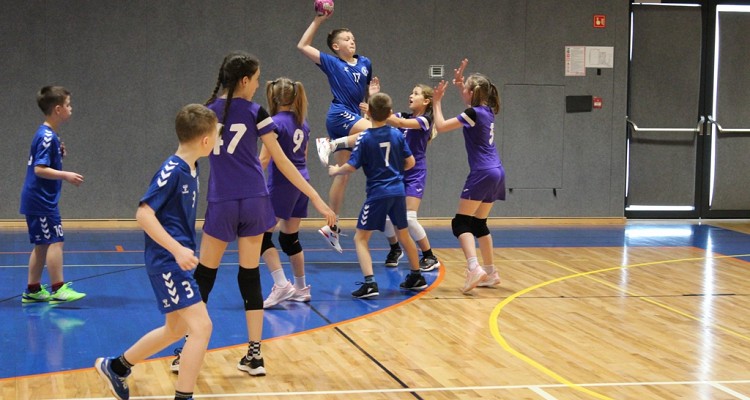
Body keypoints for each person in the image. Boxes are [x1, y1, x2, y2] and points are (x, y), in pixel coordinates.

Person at [175, 52, 335, 377]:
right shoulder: (256, 112)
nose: (259, 85)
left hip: (222, 201)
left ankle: (187, 350)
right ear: (244, 80)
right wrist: (316, 197)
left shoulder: (207, 112)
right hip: (254, 201)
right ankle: (255, 355)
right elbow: (282, 161)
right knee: (249, 276)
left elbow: (188, 158)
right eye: (257, 79)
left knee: (204, 277)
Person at [94, 104, 219, 400]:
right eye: (217, 134)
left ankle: (116, 367)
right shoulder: (172, 171)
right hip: (167, 262)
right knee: (202, 327)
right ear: (205, 141)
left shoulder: (192, 167)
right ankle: (183, 396)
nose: (219, 138)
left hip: (176, 261)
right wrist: (177, 250)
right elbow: (143, 214)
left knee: (175, 329)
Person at [328, 93, 427, 298]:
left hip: (378, 193)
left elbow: (351, 166)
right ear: (390, 112)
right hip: (398, 191)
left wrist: (336, 170)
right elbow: (410, 163)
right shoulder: (397, 134)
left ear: (369, 113)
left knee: (360, 238)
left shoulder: (365, 138)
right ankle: (416, 275)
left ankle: (370, 283)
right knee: (403, 234)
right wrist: (394, 170)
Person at [298, 11, 378, 253]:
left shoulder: (365, 63)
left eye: (353, 38)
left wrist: (369, 109)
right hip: (339, 115)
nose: (351, 41)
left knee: (343, 174)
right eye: (346, 39)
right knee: (377, 132)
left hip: (355, 118)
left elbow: (365, 95)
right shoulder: (333, 63)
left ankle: (331, 226)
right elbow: (302, 46)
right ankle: (330, 144)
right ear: (336, 46)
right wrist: (318, 20)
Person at [432, 58, 505, 293]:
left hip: (482, 171)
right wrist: (459, 84)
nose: (462, 91)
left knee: (460, 223)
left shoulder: (472, 113)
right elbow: (471, 100)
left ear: (472, 93)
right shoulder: (488, 110)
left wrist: (437, 102)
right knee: (479, 223)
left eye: (465, 89)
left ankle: (474, 268)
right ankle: (491, 272)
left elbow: (441, 126)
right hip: (497, 171)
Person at [20, 86, 86, 304]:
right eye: (68, 104)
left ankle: (33, 290)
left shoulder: (49, 135)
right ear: (58, 109)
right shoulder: (47, 136)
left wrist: (58, 155)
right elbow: (39, 169)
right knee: (56, 240)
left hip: (39, 199)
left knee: (42, 244)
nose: (71, 108)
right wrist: (65, 175)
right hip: (40, 201)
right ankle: (58, 289)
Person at [258, 77, 313, 308]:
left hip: (282, 184)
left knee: (260, 236)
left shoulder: (273, 123)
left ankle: (281, 284)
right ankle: (301, 288)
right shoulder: (303, 123)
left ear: (272, 96)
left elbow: (264, 159)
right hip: (302, 181)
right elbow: (304, 156)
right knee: (289, 238)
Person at [379, 84, 441, 272]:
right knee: (386, 217)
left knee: (409, 218)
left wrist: (376, 112)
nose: (411, 95)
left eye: (416, 93)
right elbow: (389, 119)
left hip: (415, 173)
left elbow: (398, 123)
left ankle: (429, 255)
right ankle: (395, 249)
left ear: (426, 101)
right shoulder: (403, 115)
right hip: (396, 172)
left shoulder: (425, 120)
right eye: (411, 92)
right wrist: (374, 98)